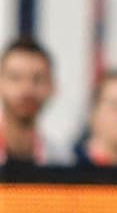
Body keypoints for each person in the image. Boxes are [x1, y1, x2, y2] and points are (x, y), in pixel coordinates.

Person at [0, 37, 70, 166]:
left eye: (37, 79)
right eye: (16, 78)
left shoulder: (63, 161)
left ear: (52, 87)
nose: (27, 89)